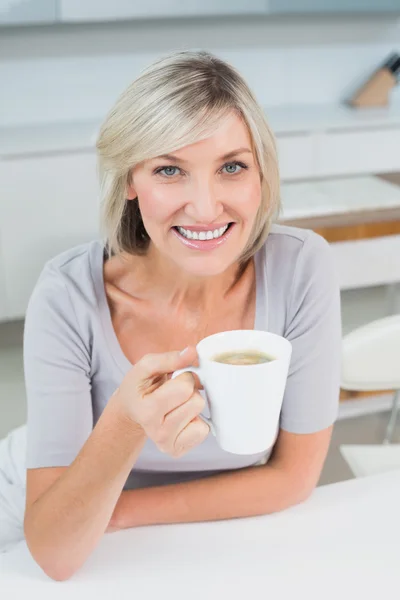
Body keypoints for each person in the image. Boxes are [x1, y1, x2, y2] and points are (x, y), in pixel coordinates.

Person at [0, 51, 341, 578]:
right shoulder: (67, 296)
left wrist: (125, 513)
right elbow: (56, 552)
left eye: (232, 167)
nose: (205, 209)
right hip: (51, 517)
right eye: (169, 170)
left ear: (261, 174)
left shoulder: (302, 267)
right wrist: (125, 421)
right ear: (131, 181)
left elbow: (294, 478)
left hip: (150, 532)